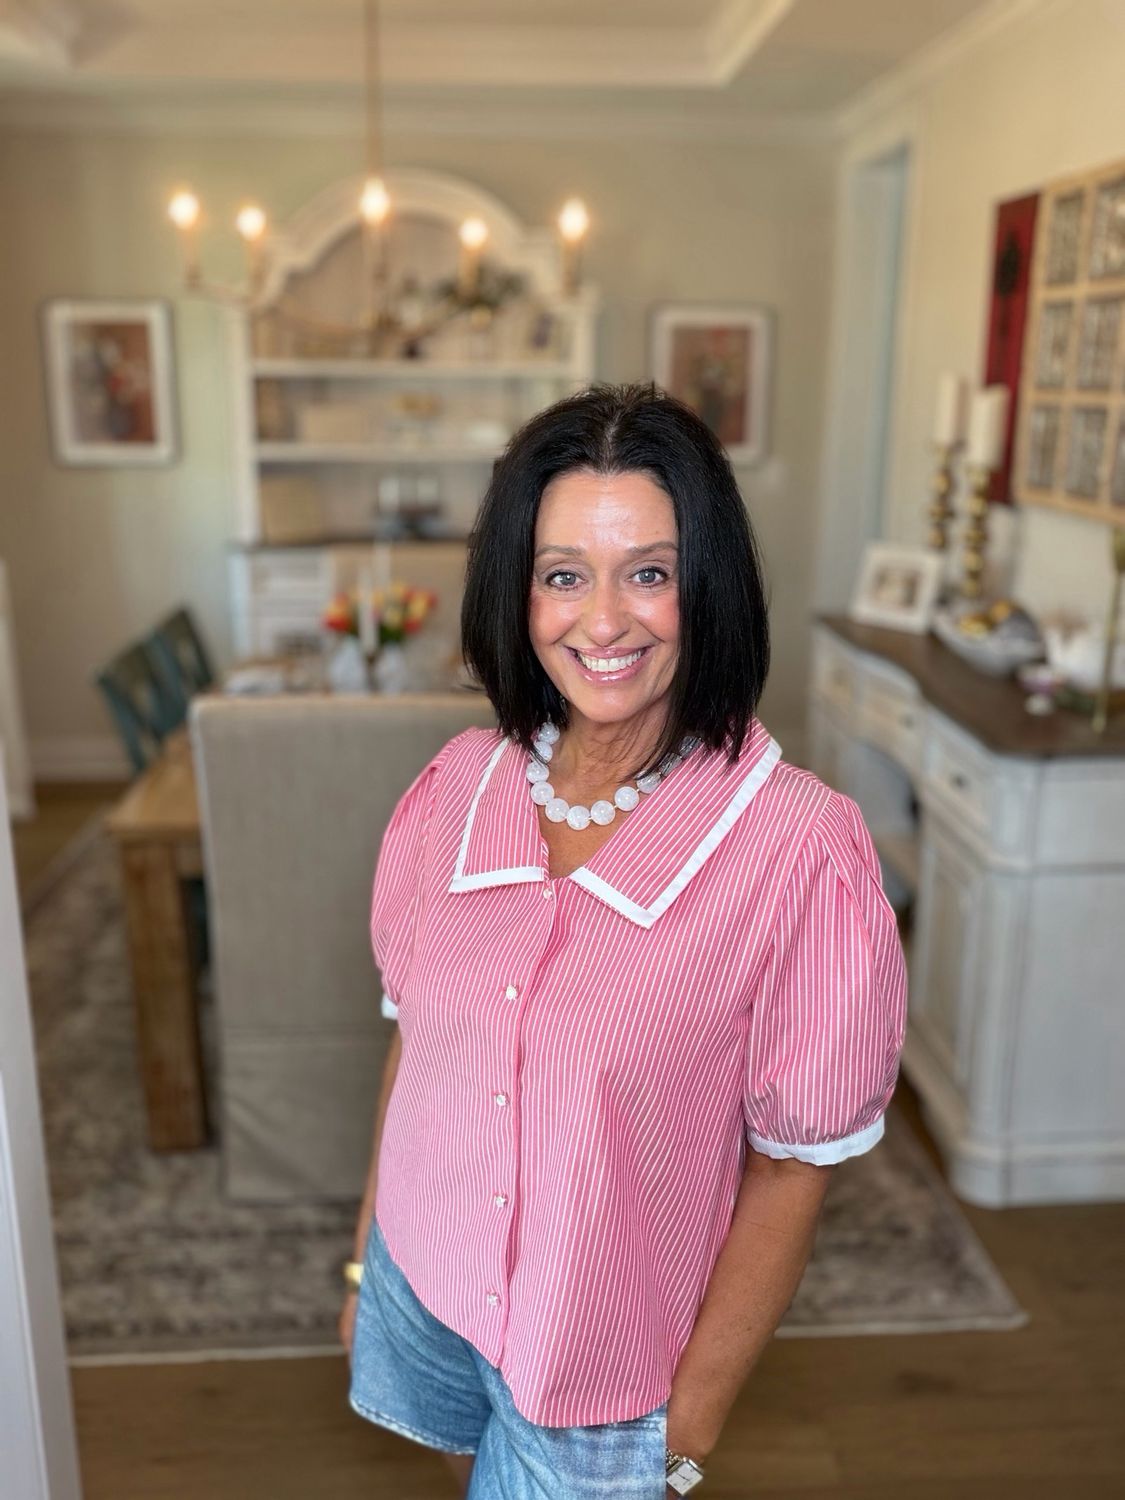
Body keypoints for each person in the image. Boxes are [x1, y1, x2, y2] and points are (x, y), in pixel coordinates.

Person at [339, 381, 909, 1498]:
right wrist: (369, 1256)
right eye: (564, 574)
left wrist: (685, 1424)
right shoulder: (456, 788)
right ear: (519, 590)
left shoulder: (800, 849)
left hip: (607, 1379)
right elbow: (413, 1047)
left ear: (709, 588)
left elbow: (794, 1167)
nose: (603, 622)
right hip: (428, 1279)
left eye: (649, 572)